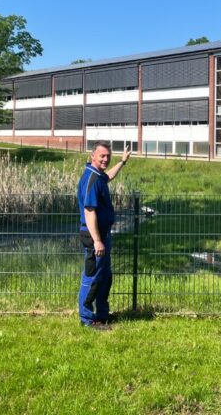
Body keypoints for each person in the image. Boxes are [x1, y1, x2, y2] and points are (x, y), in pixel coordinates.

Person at [77, 140, 131, 329]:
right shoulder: (91, 178)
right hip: (95, 237)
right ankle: (87, 320)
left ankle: (101, 315)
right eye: (102, 156)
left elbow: (108, 177)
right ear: (93, 156)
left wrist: (122, 162)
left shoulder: (98, 176)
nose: (105, 159)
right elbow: (89, 211)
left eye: (108, 156)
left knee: (105, 277)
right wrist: (97, 240)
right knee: (92, 278)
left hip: (103, 235)